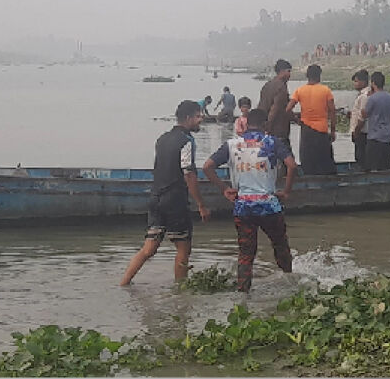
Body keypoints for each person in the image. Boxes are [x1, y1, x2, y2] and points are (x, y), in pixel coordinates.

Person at [201, 108, 295, 292]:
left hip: (243, 207)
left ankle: (243, 293)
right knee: (280, 245)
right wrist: (286, 192)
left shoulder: (231, 144)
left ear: (244, 123)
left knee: (246, 253)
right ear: (265, 124)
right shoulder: (272, 142)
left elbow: (207, 167)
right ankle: (290, 281)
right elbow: (291, 165)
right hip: (269, 206)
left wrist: (225, 189)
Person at [120, 100, 210, 286]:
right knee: (183, 248)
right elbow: (189, 174)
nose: (201, 119)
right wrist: (201, 204)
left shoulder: (162, 139)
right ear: (188, 118)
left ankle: (124, 283)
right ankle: (181, 292)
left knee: (149, 249)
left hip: (155, 197)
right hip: (174, 200)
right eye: (198, 116)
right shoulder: (186, 141)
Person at [285, 65, 337, 176]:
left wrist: (296, 119)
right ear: (319, 76)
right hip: (322, 131)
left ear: (307, 76)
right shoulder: (326, 90)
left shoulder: (300, 90)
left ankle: (309, 181)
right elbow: (332, 111)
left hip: (306, 130)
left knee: (307, 160)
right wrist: (333, 130)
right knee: (325, 162)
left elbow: (288, 109)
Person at [362, 72, 390, 171]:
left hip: (375, 137)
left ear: (373, 83)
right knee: (385, 166)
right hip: (387, 136)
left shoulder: (372, 98)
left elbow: (365, 114)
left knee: (371, 165)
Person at [259, 59, 294, 149]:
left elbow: (261, 106)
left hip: (264, 129)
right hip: (278, 131)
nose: (290, 74)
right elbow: (275, 108)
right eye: (288, 71)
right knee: (287, 159)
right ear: (282, 71)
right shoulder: (281, 87)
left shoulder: (267, 85)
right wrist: (269, 126)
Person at [348, 69, 371, 170]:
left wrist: (356, 131)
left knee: (361, 157)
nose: (355, 84)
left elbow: (363, 116)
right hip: (360, 131)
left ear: (363, 82)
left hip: (362, 131)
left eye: (356, 81)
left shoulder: (365, 96)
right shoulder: (362, 95)